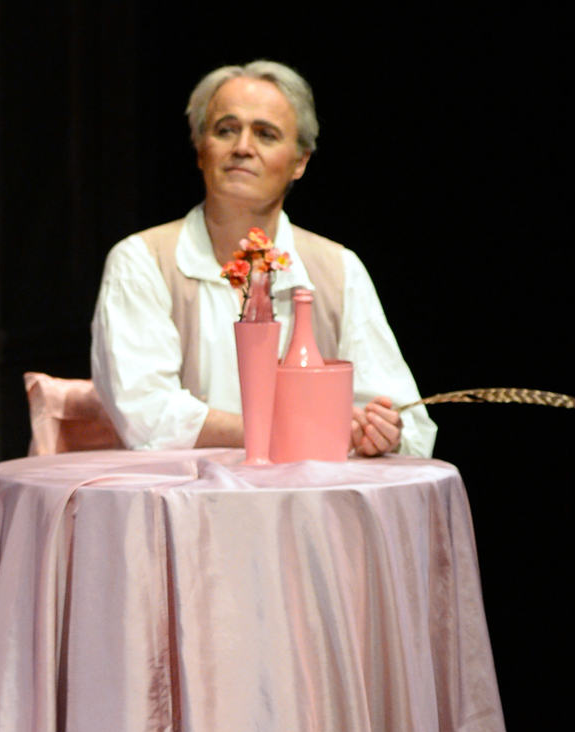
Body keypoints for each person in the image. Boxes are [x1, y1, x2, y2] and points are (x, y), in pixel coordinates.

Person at [91, 59, 434, 456]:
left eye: (266, 134)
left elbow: (409, 423)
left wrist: (383, 434)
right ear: (200, 149)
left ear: (300, 161)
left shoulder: (339, 270)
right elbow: (147, 414)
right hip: (181, 492)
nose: (242, 147)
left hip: (313, 494)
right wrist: (292, 430)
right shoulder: (142, 261)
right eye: (226, 130)